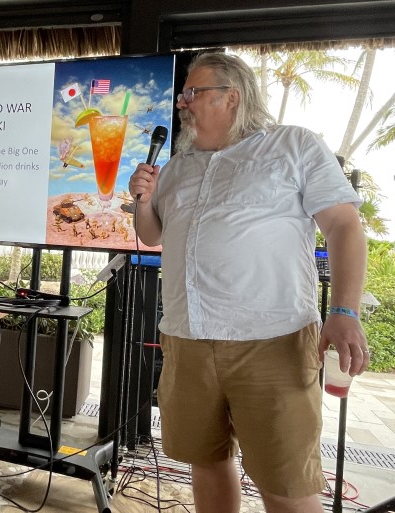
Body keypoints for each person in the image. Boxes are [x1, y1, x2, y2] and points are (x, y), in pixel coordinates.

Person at [128, 53, 368, 513]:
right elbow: (153, 235)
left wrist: (344, 311)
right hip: (187, 340)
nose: (182, 103)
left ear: (231, 97)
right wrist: (143, 201)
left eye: (192, 93)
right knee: (206, 463)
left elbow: (344, 226)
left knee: (286, 483)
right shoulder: (175, 167)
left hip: (272, 341)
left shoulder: (293, 145)